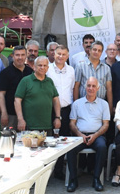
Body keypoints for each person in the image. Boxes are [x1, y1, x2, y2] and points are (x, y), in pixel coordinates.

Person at [68, 77, 110, 192]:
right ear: (85, 87)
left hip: (97, 136)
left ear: (98, 88)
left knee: (102, 147)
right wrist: (79, 134)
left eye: (93, 86)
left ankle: (96, 179)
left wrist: (95, 135)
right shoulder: (77, 103)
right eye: (88, 86)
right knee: (70, 149)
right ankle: (73, 180)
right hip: (79, 135)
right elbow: (72, 123)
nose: (91, 88)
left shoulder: (104, 104)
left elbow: (106, 124)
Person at [47, 44, 76, 180]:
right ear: (54, 54)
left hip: (66, 110)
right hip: (49, 110)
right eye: (59, 53)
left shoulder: (71, 70)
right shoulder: (47, 69)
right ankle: (46, 171)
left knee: (63, 140)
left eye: (64, 54)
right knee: (48, 139)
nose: (61, 56)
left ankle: (58, 170)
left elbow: (72, 89)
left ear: (67, 56)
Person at [14, 56, 61, 132]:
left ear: (48, 68)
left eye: (45, 65)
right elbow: (17, 100)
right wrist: (20, 119)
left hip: (47, 125)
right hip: (29, 125)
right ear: (34, 67)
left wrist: (58, 117)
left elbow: (56, 100)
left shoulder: (50, 81)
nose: (42, 67)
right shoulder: (25, 81)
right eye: (40, 65)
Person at [0, 45, 33, 129]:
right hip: (10, 114)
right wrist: (4, 113)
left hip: (27, 114)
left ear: (26, 56)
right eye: (17, 55)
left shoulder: (30, 72)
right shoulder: (5, 73)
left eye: (22, 55)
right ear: (13, 56)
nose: (20, 57)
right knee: (9, 136)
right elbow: (1, 94)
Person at [74, 41, 113, 111]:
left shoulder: (106, 68)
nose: (96, 52)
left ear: (101, 53)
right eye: (94, 49)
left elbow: (109, 89)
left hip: (101, 106)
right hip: (84, 105)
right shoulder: (80, 66)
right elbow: (76, 87)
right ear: (90, 50)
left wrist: (109, 108)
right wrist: (75, 106)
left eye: (99, 50)